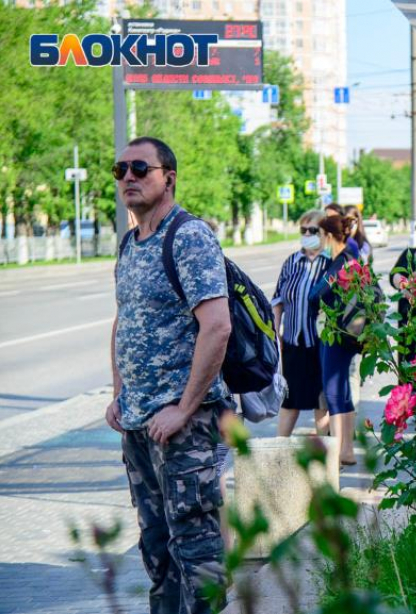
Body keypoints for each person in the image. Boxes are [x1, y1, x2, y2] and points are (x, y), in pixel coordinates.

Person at [105, 136, 231, 614]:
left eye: (140, 168)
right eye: (121, 171)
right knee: (157, 549)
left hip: (185, 426)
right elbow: (125, 319)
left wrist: (184, 407)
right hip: (139, 424)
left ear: (169, 177)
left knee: (195, 547)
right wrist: (120, 394)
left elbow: (217, 327)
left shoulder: (190, 235)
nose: (129, 178)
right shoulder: (130, 242)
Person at [271, 210, 331, 437]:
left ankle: (327, 459)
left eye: (313, 230)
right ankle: (278, 451)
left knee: (321, 402)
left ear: (325, 234)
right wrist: (275, 335)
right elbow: (277, 300)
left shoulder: (331, 264)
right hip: (293, 342)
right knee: (290, 400)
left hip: (321, 344)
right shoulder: (292, 262)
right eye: (303, 230)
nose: (307, 234)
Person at [309, 215, 359, 466]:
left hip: (336, 333)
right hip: (349, 333)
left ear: (328, 236)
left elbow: (315, 294)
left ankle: (338, 452)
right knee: (343, 392)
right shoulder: (352, 259)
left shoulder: (339, 264)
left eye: (320, 235)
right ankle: (347, 450)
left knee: (334, 393)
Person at [390, 213, 416, 362]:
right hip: (407, 315)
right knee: (407, 358)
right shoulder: (409, 252)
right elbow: (393, 275)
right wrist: (405, 285)